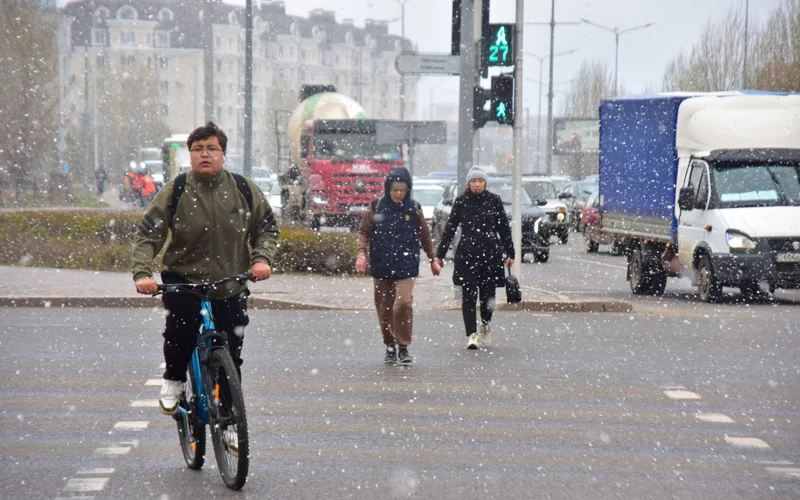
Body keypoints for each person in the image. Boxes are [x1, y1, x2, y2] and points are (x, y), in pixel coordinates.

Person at [131, 122, 279, 415]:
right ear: (190, 155)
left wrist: (262, 259)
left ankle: (229, 410)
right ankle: (174, 381)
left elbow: (266, 228)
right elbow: (148, 236)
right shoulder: (176, 190)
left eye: (212, 148)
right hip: (183, 279)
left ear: (223, 154)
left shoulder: (243, 189)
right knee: (180, 333)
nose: (205, 154)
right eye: (198, 149)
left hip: (230, 280)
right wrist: (143, 274)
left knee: (232, 348)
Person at [356, 166, 441, 364]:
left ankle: (403, 346)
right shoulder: (376, 206)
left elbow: (425, 236)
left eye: (402, 190)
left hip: (406, 264)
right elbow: (363, 231)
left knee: (402, 303)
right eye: (394, 190)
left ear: (407, 190)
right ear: (388, 189)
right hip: (381, 264)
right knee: (384, 308)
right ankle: (390, 345)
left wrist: (433, 259)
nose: (398, 194)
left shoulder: (414, 208)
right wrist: (361, 254)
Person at [434, 168, 515, 350]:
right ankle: (471, 334)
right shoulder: (461, 202)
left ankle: (485, 323)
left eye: (480, 181)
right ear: (468, 183)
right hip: (467, 255)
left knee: (488, 296)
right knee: (469, 297)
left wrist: (511, 253)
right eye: (473, 181)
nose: (477, 184)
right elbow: (450, 229)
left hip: (490, 255)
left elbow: (503, 228)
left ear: (485, 183)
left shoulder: (494, 201)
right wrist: (440, 255)